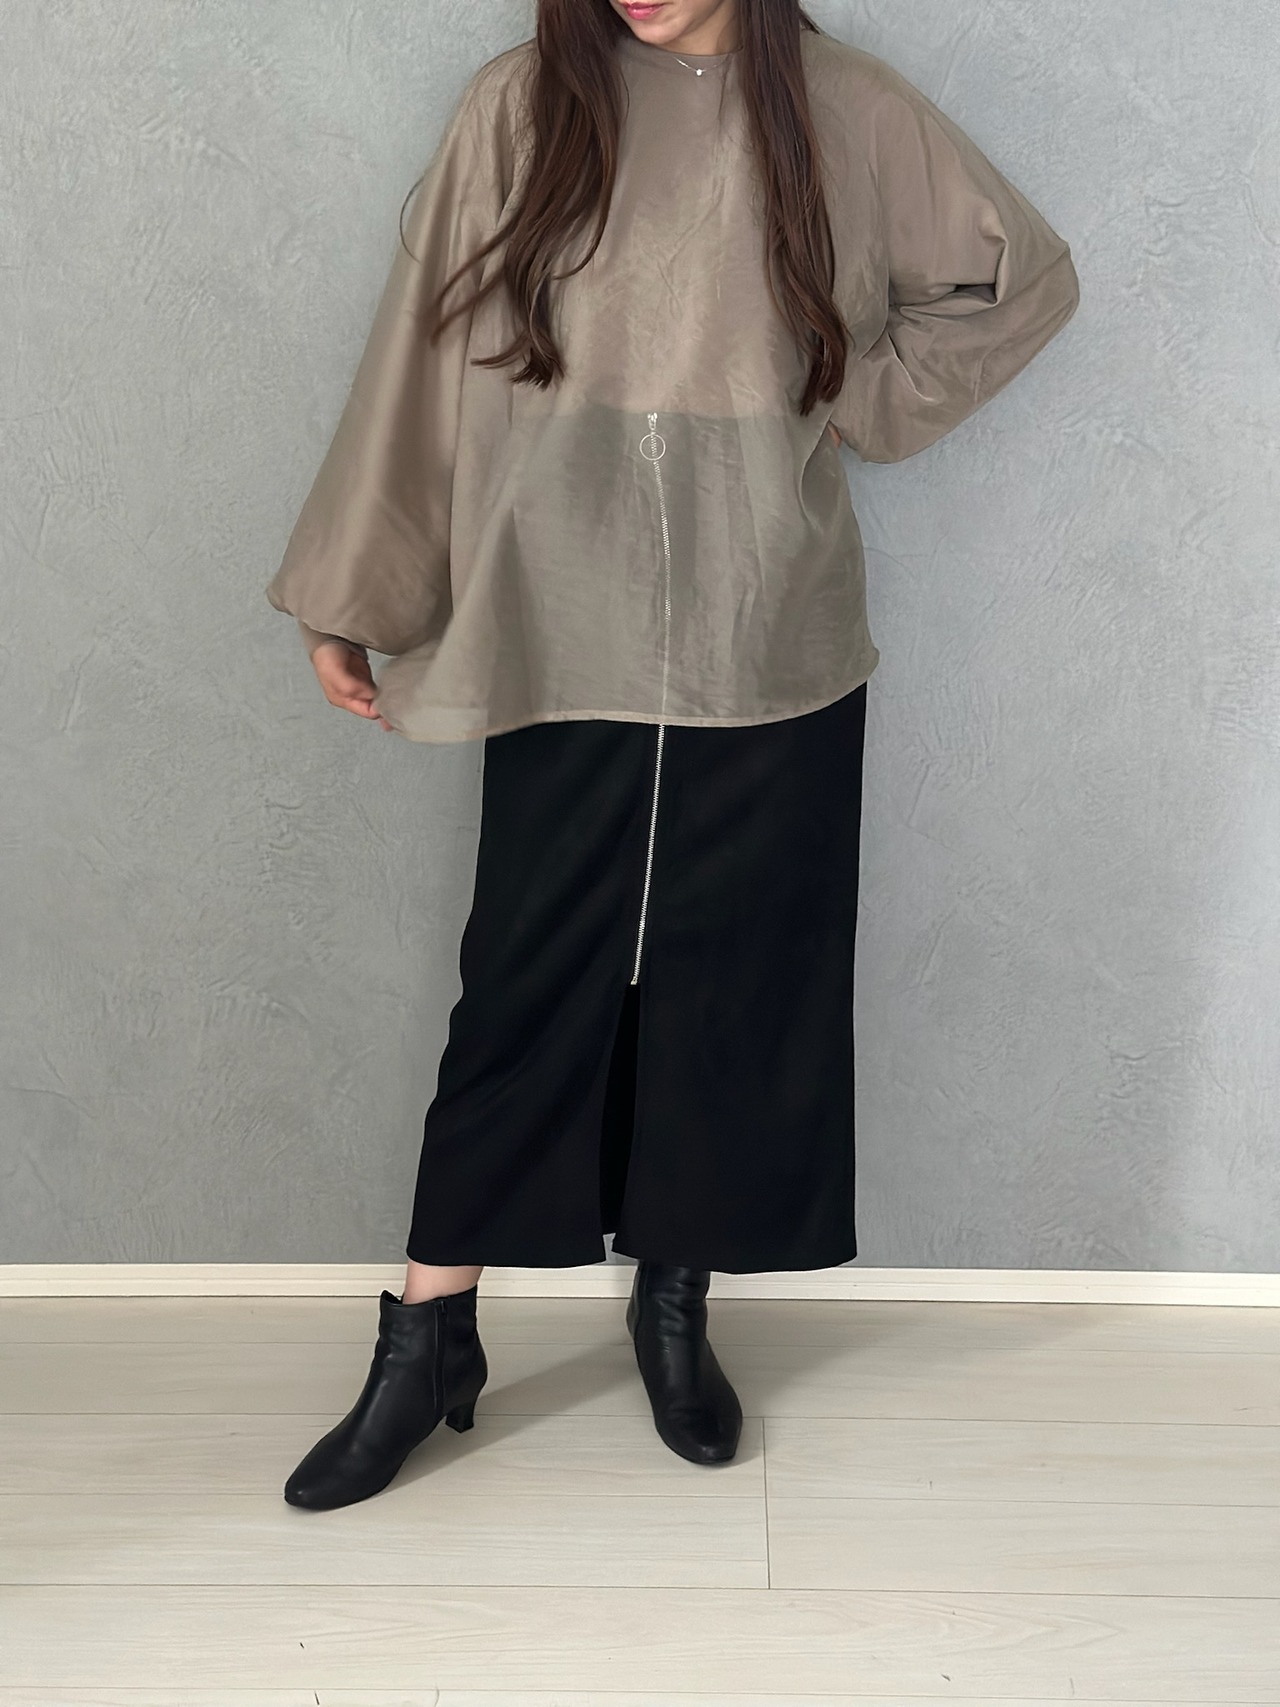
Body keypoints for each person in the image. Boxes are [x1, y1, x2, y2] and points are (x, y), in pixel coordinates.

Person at [266, 0, 1080, 1511]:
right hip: (554, 611)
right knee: (526, 970)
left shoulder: (845, 107)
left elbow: (1014, 281)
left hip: (767, 617)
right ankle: (427, 1333)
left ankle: (675, 1299)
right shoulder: (522, 107)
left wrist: (848, 398)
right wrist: (357, 592)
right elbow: (419, 357)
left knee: (735, 972)